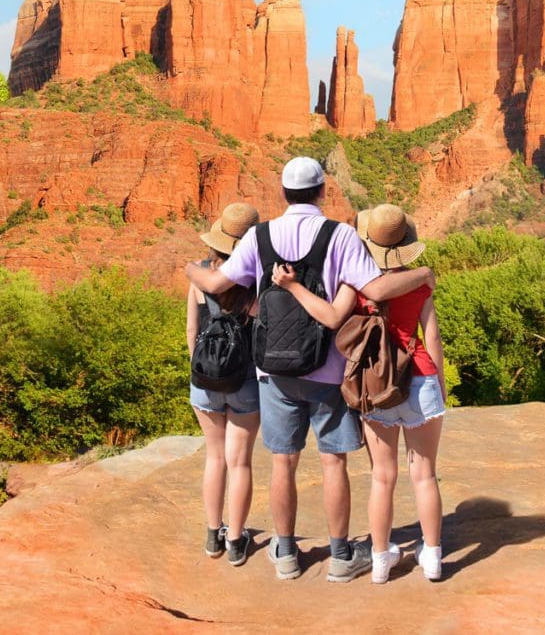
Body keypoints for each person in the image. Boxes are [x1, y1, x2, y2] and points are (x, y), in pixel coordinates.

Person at [186, 158, 435, 583]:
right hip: (329, 370)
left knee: (283, 463)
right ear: (322, 191)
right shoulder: (340, 235)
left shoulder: (259, 236)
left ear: (283, 193)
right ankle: (340, 556)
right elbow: (374, 290)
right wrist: (424, 274)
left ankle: (285, 554)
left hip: (273, 373)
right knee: (333, 463)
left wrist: (191, 268)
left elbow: (213, 285)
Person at [272, 203, 445, 584]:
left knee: (382, 477)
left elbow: (332, 318)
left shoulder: (355, 283)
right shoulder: (420, 282)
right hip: (420, 378)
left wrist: (291, 286)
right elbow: (430, 338)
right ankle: (432, 558)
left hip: (374, 385)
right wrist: (440, 387)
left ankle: (381, 562)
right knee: (425, 475)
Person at [187, 202, 261, 567]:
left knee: (214, 458)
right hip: (245, 380)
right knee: (240, 462)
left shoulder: (200, 274)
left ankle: (212, 535)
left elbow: (191, 330)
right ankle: (235, 540)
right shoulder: (254, 279)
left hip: (204, 379)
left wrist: (202, 370)